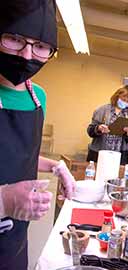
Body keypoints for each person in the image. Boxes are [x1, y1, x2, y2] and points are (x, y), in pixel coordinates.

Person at [0, 2, 75, 269]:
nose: (27, 55)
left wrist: (55, 166)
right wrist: (3, 200)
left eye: (41, 46)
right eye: (14, 39)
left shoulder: (37, 97)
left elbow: (18, 154)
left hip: (15, 235)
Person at [87, 85, 128, 165]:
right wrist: (98, 128)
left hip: (119, 156)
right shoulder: (103, 110)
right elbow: (90, 130)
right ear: (117, 96)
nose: (125, 102)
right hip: (100, 153)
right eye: (123, 99)